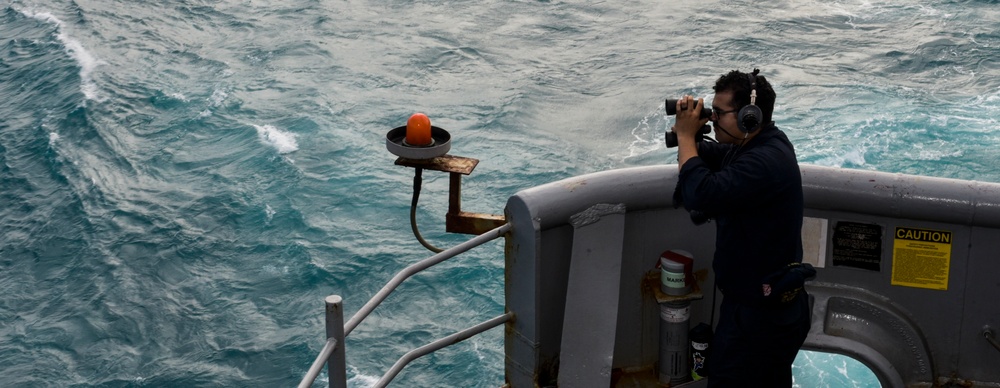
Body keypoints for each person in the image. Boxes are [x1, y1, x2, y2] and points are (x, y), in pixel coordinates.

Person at [670, 69, 812, 387]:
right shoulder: (758, 144)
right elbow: (717, 156)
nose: (714, 119)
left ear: (749, 116)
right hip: (757, 310)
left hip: (761, 318)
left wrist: (684, 138)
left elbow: (701, 193)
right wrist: (692, 138)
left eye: (719, 113)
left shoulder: (765, 161)